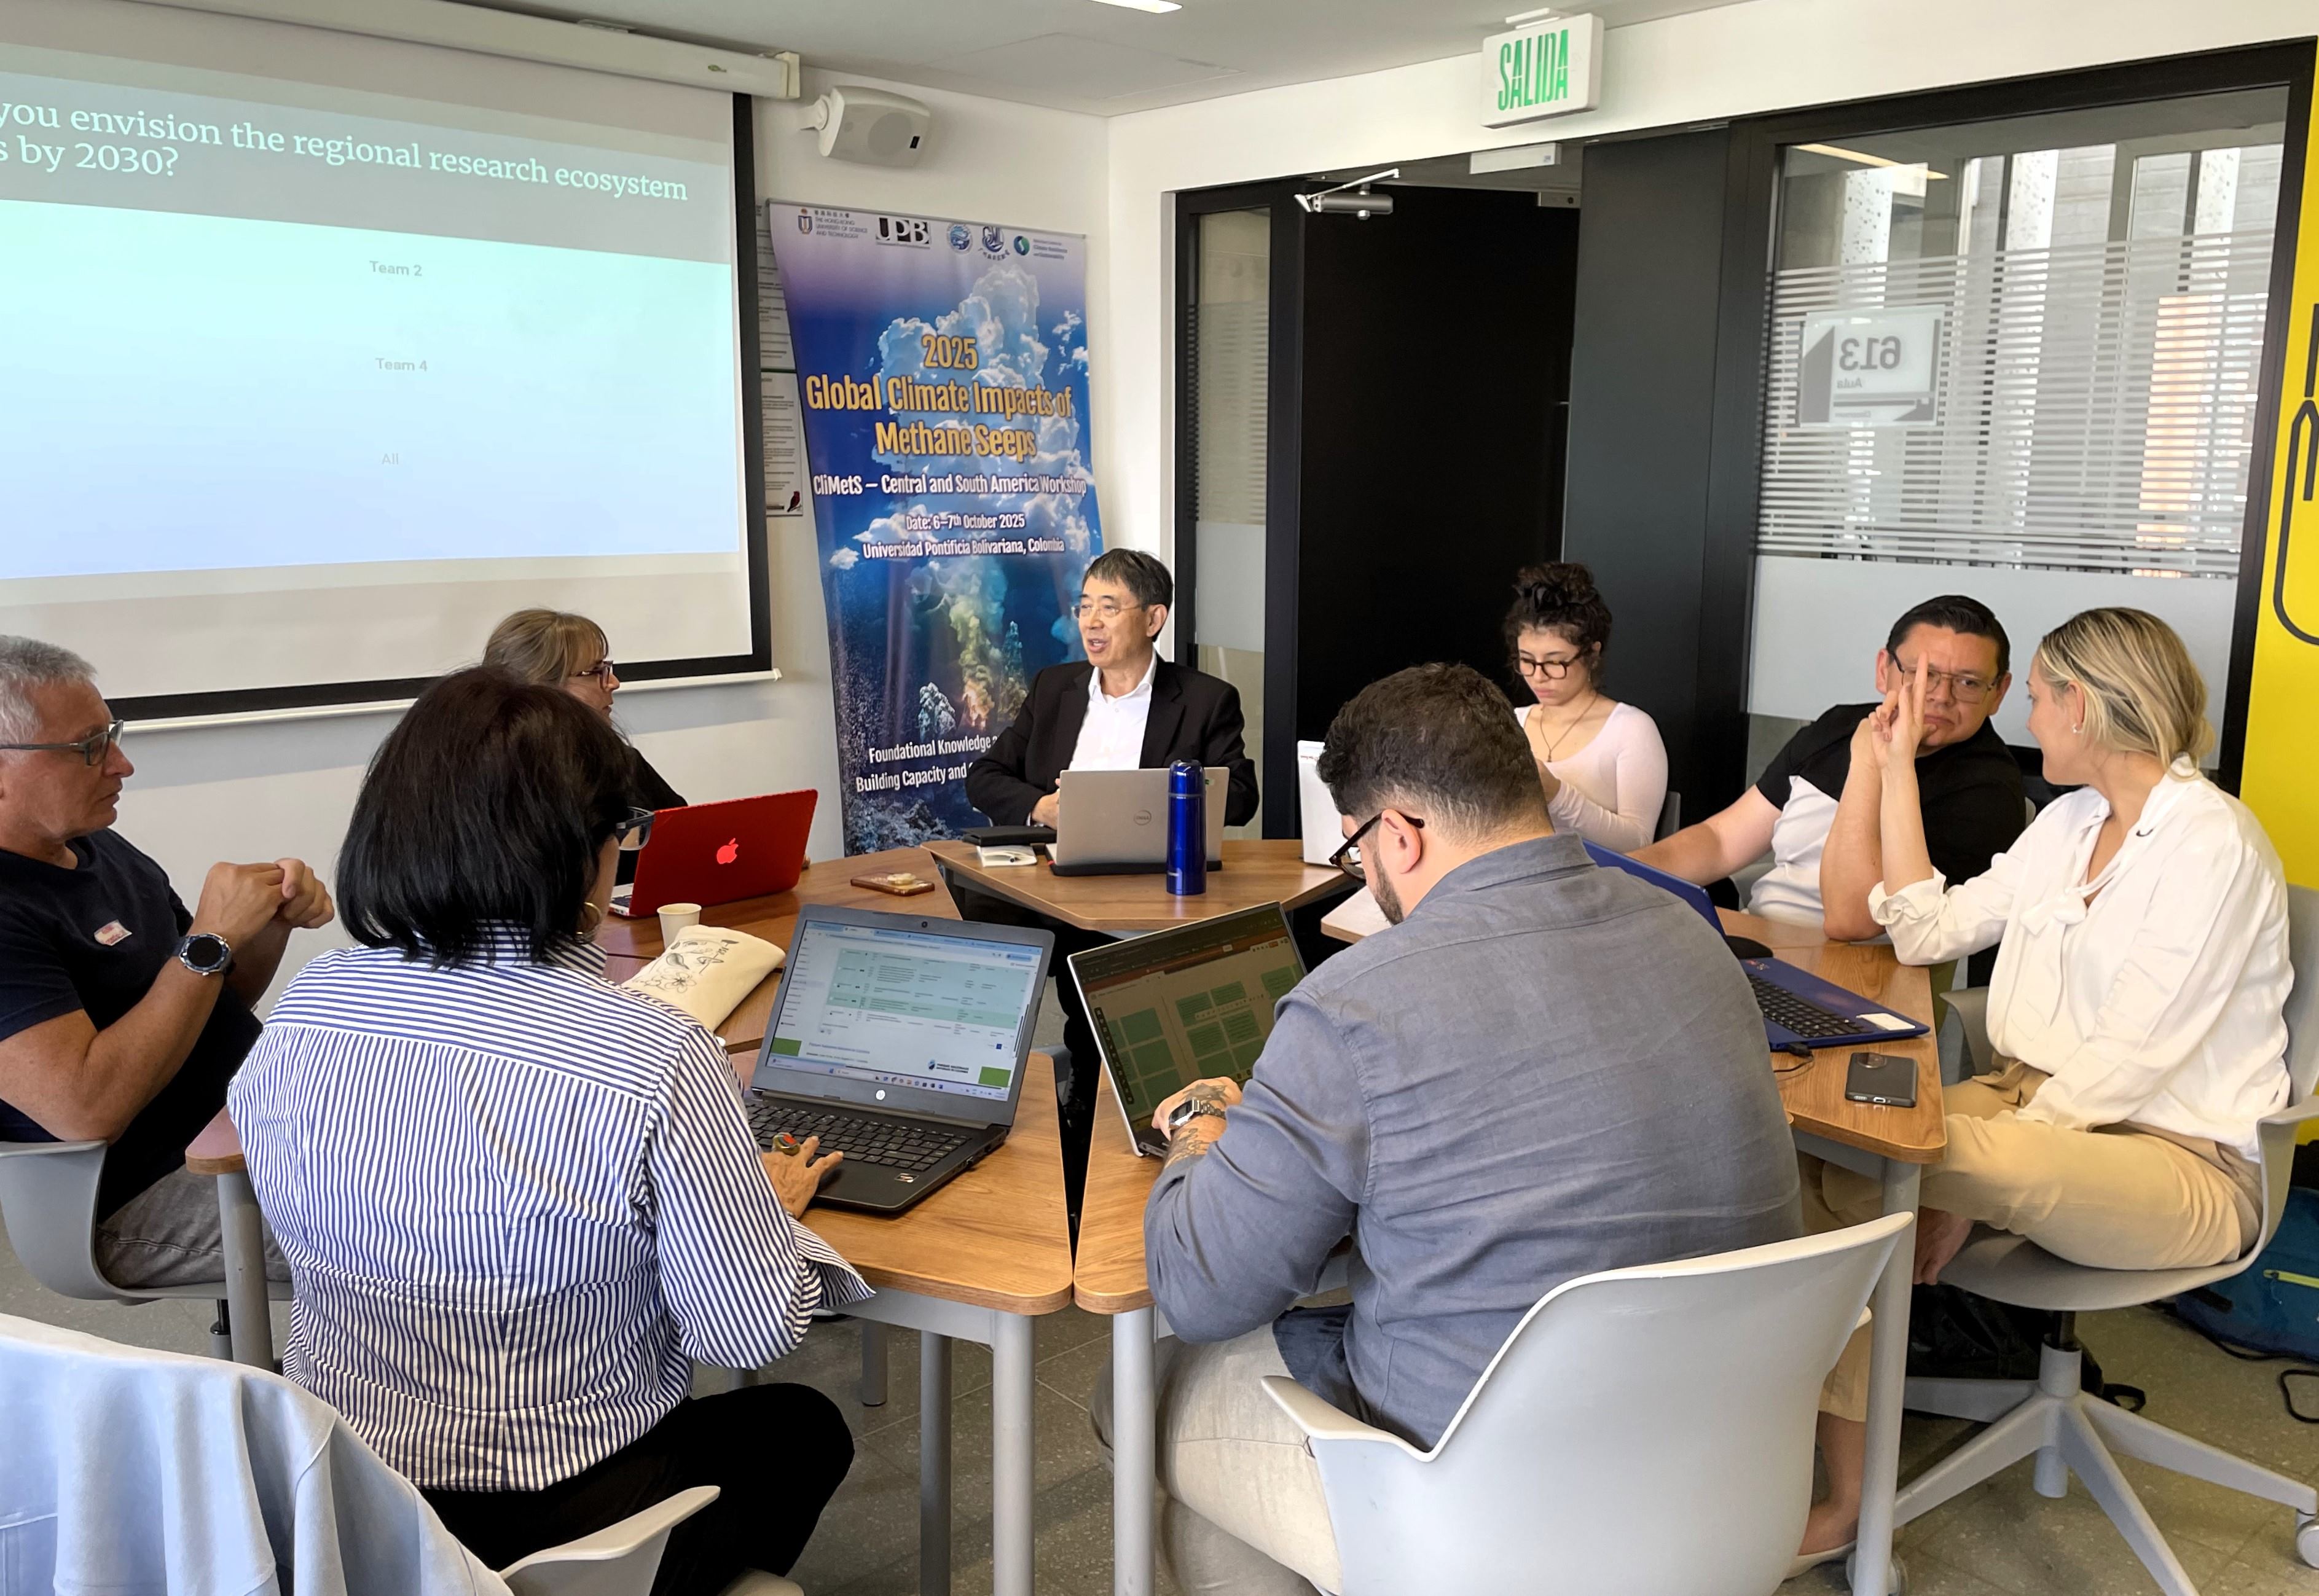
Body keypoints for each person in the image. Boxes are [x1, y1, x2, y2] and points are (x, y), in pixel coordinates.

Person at [1101, 662, 1801, 1594]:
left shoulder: (1354, 1003)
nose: (1368, 872)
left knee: (1138, 1389)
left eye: (1357, 848)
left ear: (1399, 831)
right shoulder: (1689, 935)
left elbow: (1198, 1289)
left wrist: (1200, 1124)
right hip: (1721, 1478)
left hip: (1476, 1511)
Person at [227, 668, 866, 1595]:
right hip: (559, 1506)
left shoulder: (307, 1005)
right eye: (625, 833)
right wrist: (764, 1208)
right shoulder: (653, 1051)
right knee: (802, 1428)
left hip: (344, 1491)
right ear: (584, 851)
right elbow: (746, 1330)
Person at [1795, 608, 2290, 1562]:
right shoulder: (2068, 823)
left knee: (1902, 1150)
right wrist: (1894, 770)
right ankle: (1848, 1489)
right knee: (1839, 1162)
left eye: (2034, 697)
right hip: (2035, 1108)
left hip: (2177, 1159)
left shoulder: (2210, 845)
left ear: (2085, 703)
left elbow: (2131, 1056)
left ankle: (1845, 1499)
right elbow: (1923, 931)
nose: (2024, 718)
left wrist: (1977, 1196)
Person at [0, 636, 331, 1288]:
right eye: (89, 746)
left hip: (250, 1124)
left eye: (112, 734)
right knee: (431, 1228)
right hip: (137, 1195)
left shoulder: (99, 847)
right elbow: (84, 1109)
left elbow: (206, 1005)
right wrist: (210, 938)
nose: (121, 764)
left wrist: (262, 927)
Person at [960, 549, 1260, 1214]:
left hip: (1159, 893)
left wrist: (1169, 796)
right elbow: (985, 776)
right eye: (1085, 606)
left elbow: (1240, 795)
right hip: (1056, 890)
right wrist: (1041, 808)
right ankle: (1067, 1127)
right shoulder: (1055, 688)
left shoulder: (1206, 699)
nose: (1092, 623)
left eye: (1110, 607)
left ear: (1153, 619)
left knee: (1118, 1002)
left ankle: (1120, 1136)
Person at [1634, 594, 2026, 938]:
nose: (1939, 696)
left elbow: (1851, 922)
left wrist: (1871, 764)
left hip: (1862, 975)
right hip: (1759, 940)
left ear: (2000, 692)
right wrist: (1612, 876)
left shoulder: (1988, 789)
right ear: (1882, 669)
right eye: (1922, 676)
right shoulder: (1838, 727)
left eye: (1969, 683)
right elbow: (1721, 842)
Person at [484, 608, 684, 884]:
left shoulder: (620, 760)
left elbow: (685, 834)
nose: (613, 683)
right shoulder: (489, 783)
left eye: (608, 669)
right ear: (539, 685)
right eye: (595, 672)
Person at [1504, 562, 1668, 851]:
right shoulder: (1510, 724)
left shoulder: (1630, 729)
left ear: (1592, 653)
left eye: (1555, 662)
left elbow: (1640, 844)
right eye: (1527, 660)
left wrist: (1557, 795)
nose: (1538, 676)